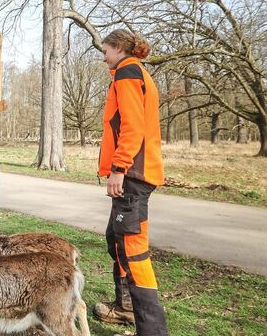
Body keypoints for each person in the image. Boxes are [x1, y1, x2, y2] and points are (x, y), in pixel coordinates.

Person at [92, 29, 168, 336]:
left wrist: (119, 168)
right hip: (134, 173)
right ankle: (124, 308)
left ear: (119, 48)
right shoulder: (131, 73)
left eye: (106, 49)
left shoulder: (127, 73)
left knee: (133, 250)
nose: (104, 55)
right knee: (117, 239)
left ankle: (151, 330)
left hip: (133, 175)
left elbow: (133, 126)